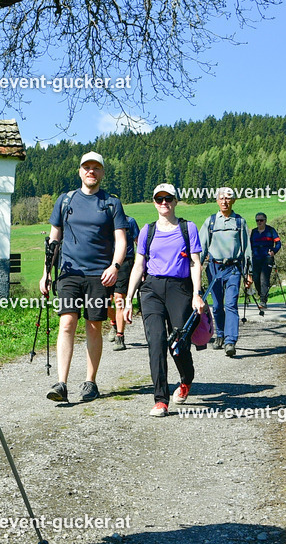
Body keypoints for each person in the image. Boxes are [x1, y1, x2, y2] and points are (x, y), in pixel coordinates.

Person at [41, 151, 128, 402]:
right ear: (80, 171)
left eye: (96, 168)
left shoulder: (112, 203)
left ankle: (90, 382)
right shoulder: (65, 200)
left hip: (99, 276)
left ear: (102, 173)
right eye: (86, 167)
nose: (91, 171)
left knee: (93, 326)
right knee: (66, 322)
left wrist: (115, 266)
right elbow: (53, 239)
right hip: (69, 273)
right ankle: (61, 384)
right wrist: (46, 273)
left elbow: (121, 240)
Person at [123, 184, 204, 417]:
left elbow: (195, 263)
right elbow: (139, 265)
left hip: (180, 289)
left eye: (168, 198)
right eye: (159, 199)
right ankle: (161, 400)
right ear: (154, 203)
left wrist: (196, 294)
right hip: (152, 289)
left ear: (176, 201)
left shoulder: (188, 229)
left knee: (178, 344)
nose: (164, 203)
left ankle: (186, 378)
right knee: (156, 342)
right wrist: (129, 299)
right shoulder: (147, 231)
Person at [198, 187, 252, 358]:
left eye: (228, 198)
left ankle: (230, 341)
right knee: (218, 306)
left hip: (234, 269)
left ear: (233, 201)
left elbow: (246, 249)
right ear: (217, 201)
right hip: (214, 268)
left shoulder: (240, 222)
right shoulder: (211, 222)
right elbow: (201, 248)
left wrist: (248, 273)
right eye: (221, 198)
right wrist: (196, 270)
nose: (224, 201)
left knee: (230, 305)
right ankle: (219, 335)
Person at [107, 215, 141, 351]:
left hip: (125, 262)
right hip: (106, 262)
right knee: (105, 301)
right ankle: (114, 323)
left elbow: (139, 243)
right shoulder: (102, 221)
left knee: (119, 298)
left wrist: (141, 265)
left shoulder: (130, 221)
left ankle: (120, 337)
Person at [249, 212, 281, 311]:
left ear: (265, 220)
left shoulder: (271, 230)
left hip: (267, 257)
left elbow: (278, 243)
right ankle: (261, 294)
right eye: (257, 220)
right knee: (256, 278)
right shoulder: (254, 232)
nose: (259, 222)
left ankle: (263, 301)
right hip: (256, 258)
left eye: (261, 220)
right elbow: (249, 245)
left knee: (264, 279)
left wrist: (274, 251)